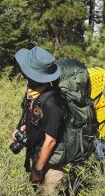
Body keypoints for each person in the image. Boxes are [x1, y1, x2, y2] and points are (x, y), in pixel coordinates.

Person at [12, 46, 65, 195]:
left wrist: (37, 170)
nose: (22, 71)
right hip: (38, 156)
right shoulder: (33, 93)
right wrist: (20, 128)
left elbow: (51, 141)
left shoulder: (52, 103)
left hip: (51, 164)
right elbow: (30, 116)